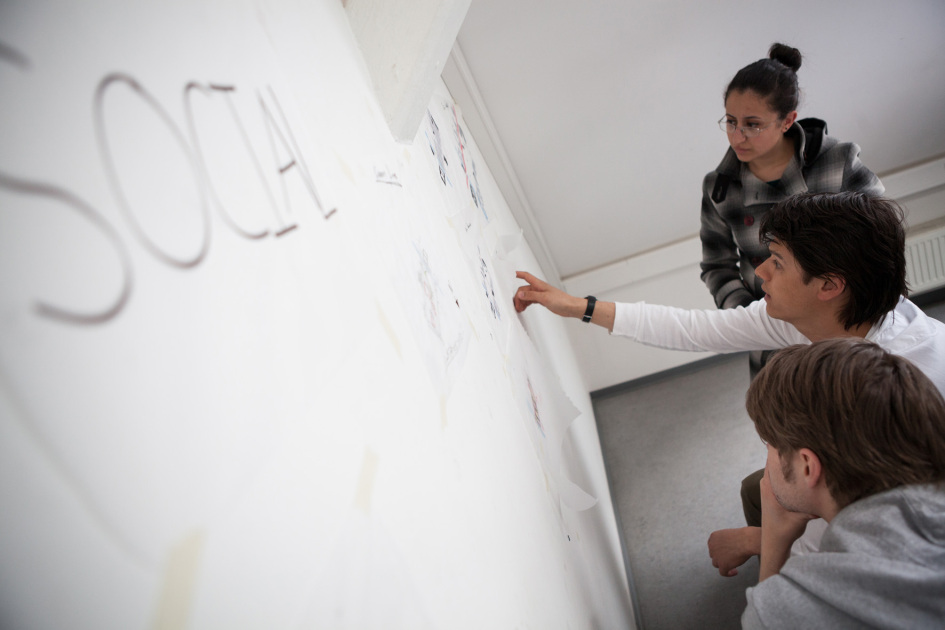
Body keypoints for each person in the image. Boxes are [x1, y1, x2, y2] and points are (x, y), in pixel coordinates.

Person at [513, 191, 945, 574]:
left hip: (915, 535)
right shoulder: (817, 315)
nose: (761, 271)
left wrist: (759, 542)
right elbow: (696, 329)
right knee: (759, 490)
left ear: (829, 286)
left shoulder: (899, 387)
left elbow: (875, 534)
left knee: (776, 503)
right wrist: (579, 307)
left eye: (778, 263)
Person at [700, 43, 883, 377]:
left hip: (848, 329)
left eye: (753, 124)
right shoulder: (719, 188)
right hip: (772, 342)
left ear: (787, 121)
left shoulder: (838, 161)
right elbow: (717, 267)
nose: (737, 137)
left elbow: (882, 240)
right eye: (731, 121)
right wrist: (755, 318)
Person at [740, 338, 945, 628]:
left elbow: (767, 615)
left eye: (770, 445)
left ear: (808, 466)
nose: (767, 461)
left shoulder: (784, 610)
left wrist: (772, 543)